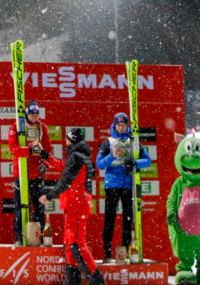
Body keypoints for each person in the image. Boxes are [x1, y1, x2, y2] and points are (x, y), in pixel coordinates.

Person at [39, 128, 105, 285]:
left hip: (77, 206)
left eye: (67, 139)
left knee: (77, 244)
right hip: (75, 206)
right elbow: (63, 165)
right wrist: (45, 155)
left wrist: (48, 196)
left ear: (71, 140)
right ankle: (73, 281)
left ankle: (97, 281)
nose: (65, 142)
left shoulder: (76, 157)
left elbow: (65, 181)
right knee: (69, 245)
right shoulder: (79, 157)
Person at [96, 112, 152, 263]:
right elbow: (99, 164)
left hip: (128, 184)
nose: (121, 128)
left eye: (124, 125)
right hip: (112, 185)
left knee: (128, 218)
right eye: (118, 125)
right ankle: (107, 250)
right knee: (110, 218)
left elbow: (148, 161)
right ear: (114, 126)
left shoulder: (133, 141)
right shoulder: (108, 142)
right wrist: (112, 155)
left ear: (127, 126)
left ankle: (125, 250)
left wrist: (135, 163)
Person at [8, 100, 53, 244]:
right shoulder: (16, 127)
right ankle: (20, 238)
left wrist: (45, 164)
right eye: (32, 114)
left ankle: (37, 238)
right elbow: (13, 148)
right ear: (27, 114)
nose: (34, 116)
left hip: (36, 174)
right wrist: (29, 151)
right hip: (21, 173)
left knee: (39, 207)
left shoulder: (42, 128)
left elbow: (48, 150)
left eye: (36, 114)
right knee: (21, 207)